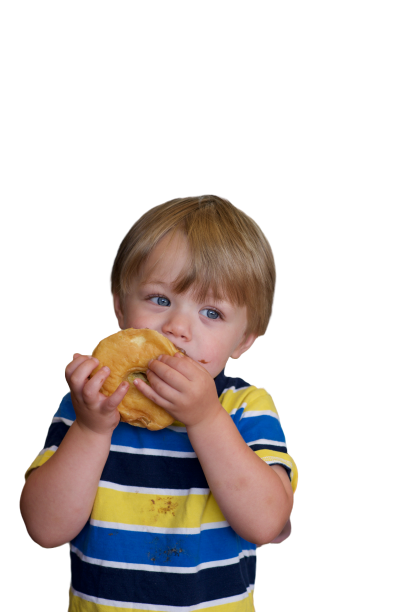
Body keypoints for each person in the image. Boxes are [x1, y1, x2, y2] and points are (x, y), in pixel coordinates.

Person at [19, 194, 298, 611]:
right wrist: (92, 429)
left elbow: (266, 523)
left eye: (211, 312)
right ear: (119, 306)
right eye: (160, 300)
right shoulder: (90, 402)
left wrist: (205, 419)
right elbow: (44, 529)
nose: (178, 328)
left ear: (244, 340)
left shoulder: (245, 407)